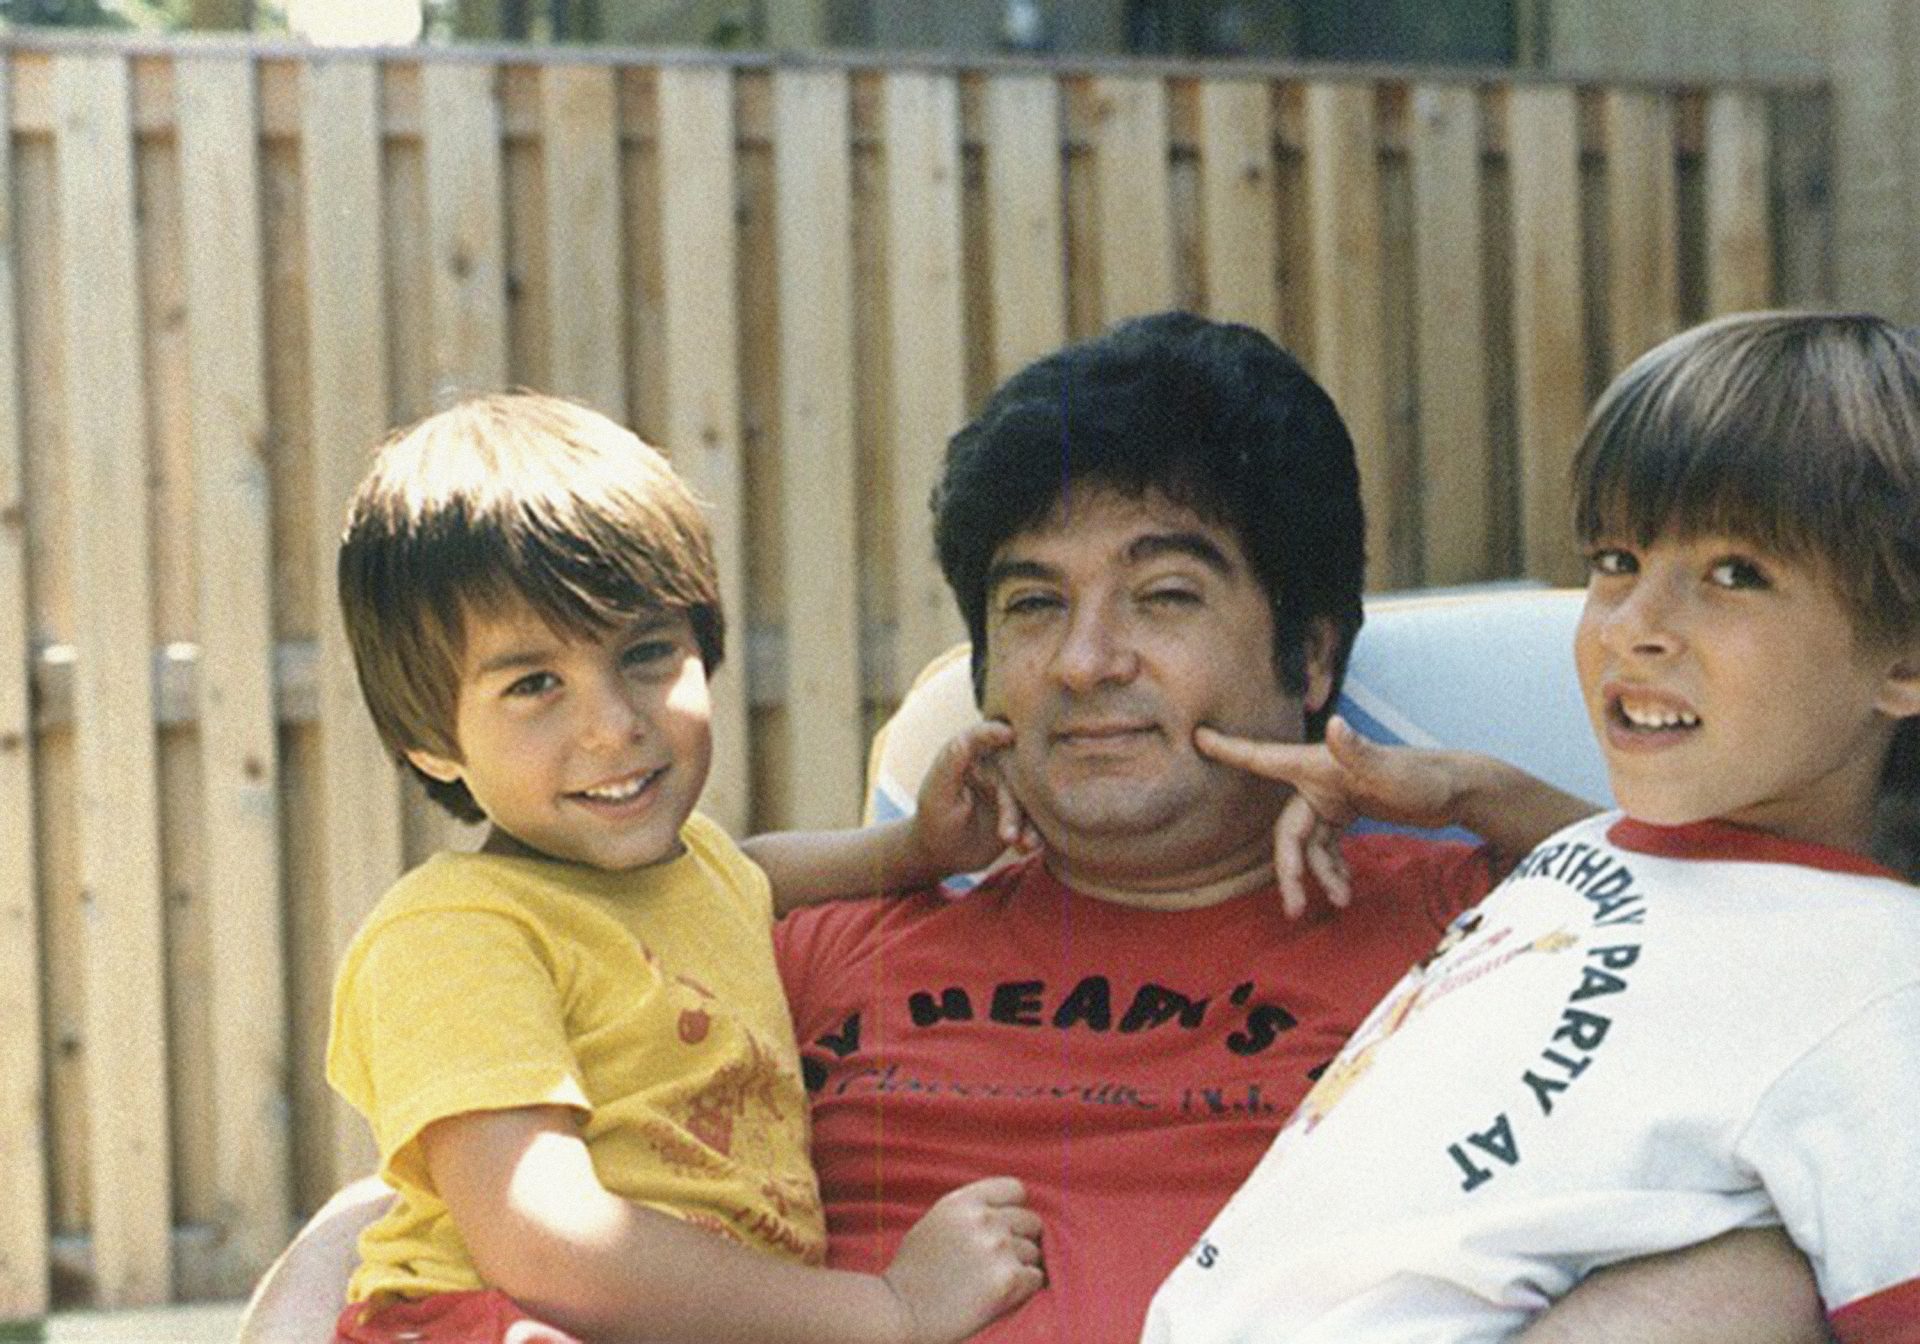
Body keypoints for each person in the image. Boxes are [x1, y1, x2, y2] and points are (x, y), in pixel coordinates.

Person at [242, 317, 1827, 1344]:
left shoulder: (1482, 925)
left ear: (1313, 653)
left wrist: (1484, 800)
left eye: (1164, 596)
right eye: (1033, 607)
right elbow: (490, 1197)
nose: (1086, 664)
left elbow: (1783, 974)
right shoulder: (788, 938)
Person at [1143, 311, 1920, 1341]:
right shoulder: (1590, 852)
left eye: (1738, 574)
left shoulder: (1881, 995)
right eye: (1615, 559)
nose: (1637, 626)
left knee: (1751, 1281)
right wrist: (1472, 790)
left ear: (1904, 662)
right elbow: (1709, 915)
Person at [323, 392, 1043, 1344]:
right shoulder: (455, 934)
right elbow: (542, 1237)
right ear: (428, 739)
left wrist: (911, 851)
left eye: (647, 653)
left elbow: (752, 874)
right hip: (492, 1320)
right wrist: (884, 1308)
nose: (614, 722)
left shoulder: (691, 868)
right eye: (535, 685)